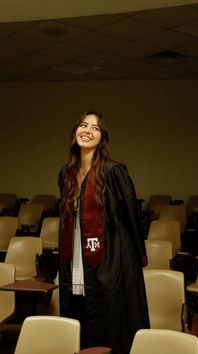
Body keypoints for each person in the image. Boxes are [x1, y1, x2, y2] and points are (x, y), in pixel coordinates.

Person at [58, 111, 150, 354]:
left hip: (108, 262)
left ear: (102, 138)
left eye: (95, 128)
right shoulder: (66, 174)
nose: (87, 130)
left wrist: (136, 258)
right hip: (76, 260)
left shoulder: (113, 171)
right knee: (79, 320)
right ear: (75, 132)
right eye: (83, 125)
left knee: (108, 326)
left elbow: (132, 217)